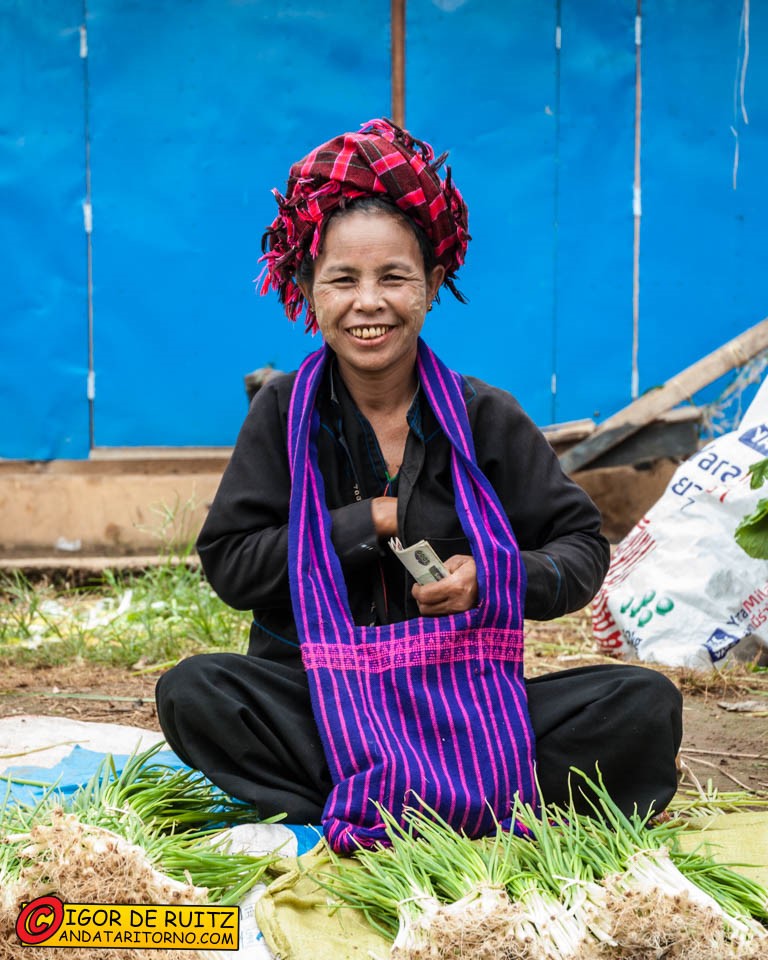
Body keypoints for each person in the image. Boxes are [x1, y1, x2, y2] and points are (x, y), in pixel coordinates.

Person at [156, 119, 682, 845]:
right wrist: (360, 524)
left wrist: (494, 578)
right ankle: (457, 800)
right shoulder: (283, 413)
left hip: (467, 709)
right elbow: (232, 563)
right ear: (308, 289)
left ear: (431, 286)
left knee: (643, 702)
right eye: (342, 279)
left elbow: (582, 547)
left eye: (394, 277)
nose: (367, 302)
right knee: (195, 693)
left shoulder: (485, 416)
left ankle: (381, 799)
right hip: (323, 704)